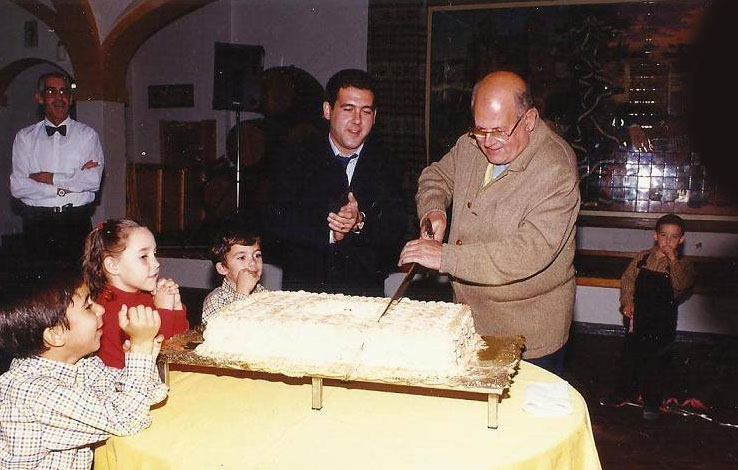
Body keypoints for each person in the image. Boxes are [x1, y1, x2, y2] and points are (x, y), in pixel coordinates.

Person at [398, 71, 580, 375]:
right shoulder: (473, 142)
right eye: (480, 130)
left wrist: (445, 257)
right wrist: (434, 211)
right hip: (468, 318)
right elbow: (436, 176)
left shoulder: (556, 169)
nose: (488, 142)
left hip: (526, 333)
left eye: (498, 131)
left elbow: (528, 253)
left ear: (530, 119)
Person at [0, 266, 168, 470]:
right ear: (55, 334)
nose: (101, 309)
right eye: (88, 306)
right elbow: (128, 420)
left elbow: (145, 395)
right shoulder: (33, 393)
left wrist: (142, 355)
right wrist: (141, 348)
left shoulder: (82, 364)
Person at [267, 69, 406, 296]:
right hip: (305, 297)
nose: (357, 121)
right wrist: (331, 233)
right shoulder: (297, 156)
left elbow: (395, 229)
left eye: (366, 111)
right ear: (327, 110)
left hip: (363, 300)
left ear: (375, 116)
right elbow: (276, 221)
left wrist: (360, 221)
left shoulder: (387, 163)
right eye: (348, 109)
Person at [601, 214, 695, 420]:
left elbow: (681, 285)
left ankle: (652, 401)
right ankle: (624, 392)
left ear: (682, 240)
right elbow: (627, 280)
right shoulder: (642, 258)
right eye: (663, 235)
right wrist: (627, 301)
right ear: (655, 236)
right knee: (631, 357)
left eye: (674, 237)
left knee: (657, 361)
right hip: (639, 318)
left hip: (663, 322)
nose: (668, 241)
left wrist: (672, 259)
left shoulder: (684, 265)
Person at [10, 72, 104, 264]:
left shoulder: (87, 136)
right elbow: (18, 186)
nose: (59, 97)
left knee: (80, 287)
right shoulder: (24, 137)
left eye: (63, 91)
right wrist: (69, 185)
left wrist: (50, 178)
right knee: (41, 291)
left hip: (76, 222)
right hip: (37, 224)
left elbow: (92, 181)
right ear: (40, 98)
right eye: (51, 91)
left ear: (70, 99)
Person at [82, 219, 189, 368]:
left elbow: (179, 345)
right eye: (144, 256)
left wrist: (176, 308)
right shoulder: (107, 311)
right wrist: (164, 311)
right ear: (113, 265)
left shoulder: (148, 297)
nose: (157, 263)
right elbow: (157, 356)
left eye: (154, 254)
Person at [202, 228, 267, 324]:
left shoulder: (263, 293)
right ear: (223, 268)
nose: (253, 262)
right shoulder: (216, 300)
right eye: (242, 257)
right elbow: (226, 334)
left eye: (257, 255)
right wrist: (242, 293)